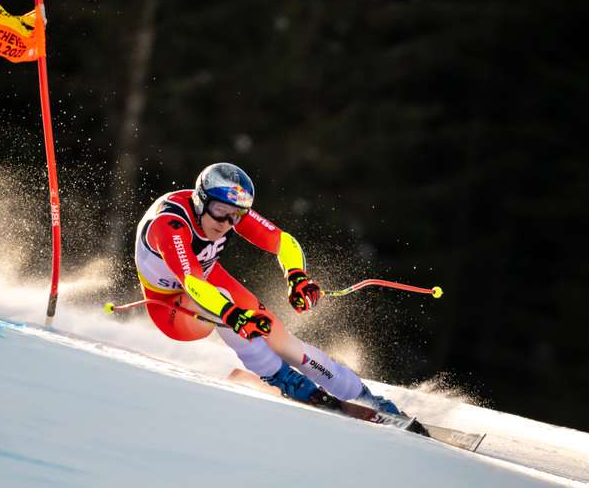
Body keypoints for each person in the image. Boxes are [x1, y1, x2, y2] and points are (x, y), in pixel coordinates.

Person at [134, 162, 401, 414]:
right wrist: (233, 315)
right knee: (229, 308)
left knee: (276, 334)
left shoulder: (227, 211)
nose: (225, 223)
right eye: (219, 211)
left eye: (235, 216)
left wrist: (297, 277)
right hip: (170, 304)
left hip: (206, 278)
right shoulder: (169, 225)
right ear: (201, 200)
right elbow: (192, 283)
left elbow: (283, 241)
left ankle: (362, 394)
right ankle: (281, 378)